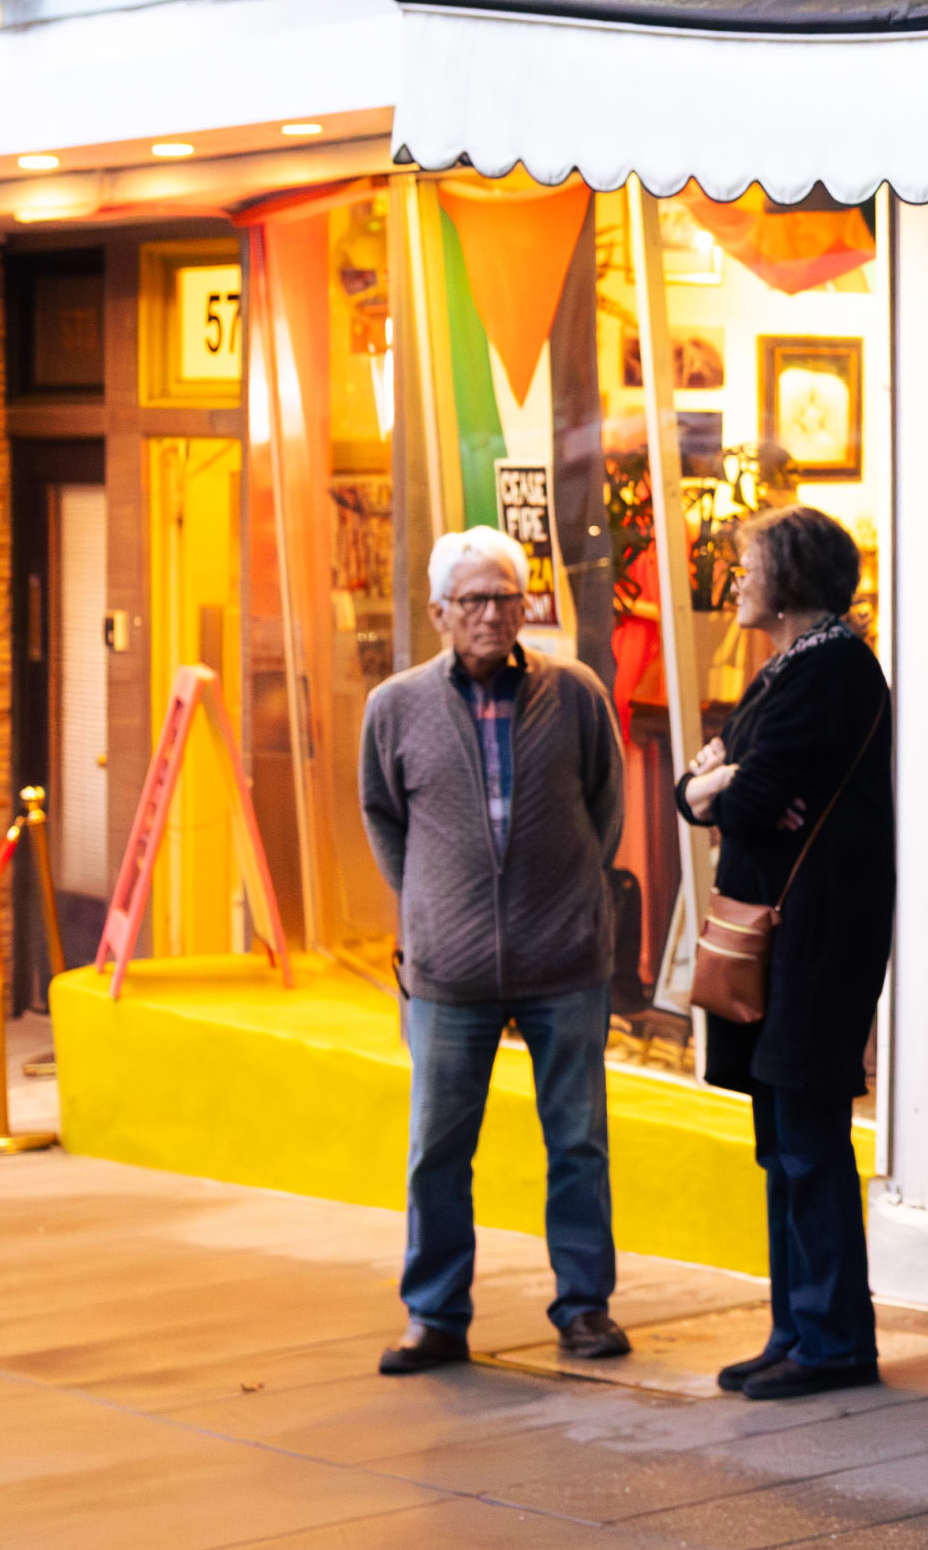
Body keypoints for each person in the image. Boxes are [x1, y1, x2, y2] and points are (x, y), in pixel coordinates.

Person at [359, 527, 631, 1374]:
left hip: (565, 962)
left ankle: (585, 1308)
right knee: (438, 1146)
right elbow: (382, 815)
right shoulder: (395, 707)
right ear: (439, 612)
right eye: (473, 600)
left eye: (507, 597)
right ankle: (435, 1316)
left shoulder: (576, 693)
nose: (492, 615)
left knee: (578, 1143)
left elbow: (605, 803)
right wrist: (433, 904)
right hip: (449, 970)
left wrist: (571, 895)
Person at [679, 507, 894, 1400]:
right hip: (780, 931)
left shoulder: (833, 668)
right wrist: (720, 781)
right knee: (780, 1138)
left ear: (792, 577)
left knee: (807, 1139)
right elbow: (707, 786)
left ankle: (834, 1339)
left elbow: (748, 789)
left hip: (817, 936)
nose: (736, 580)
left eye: (749, 565)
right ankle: (794, 1327)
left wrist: (728, 782)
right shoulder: (790, 668)